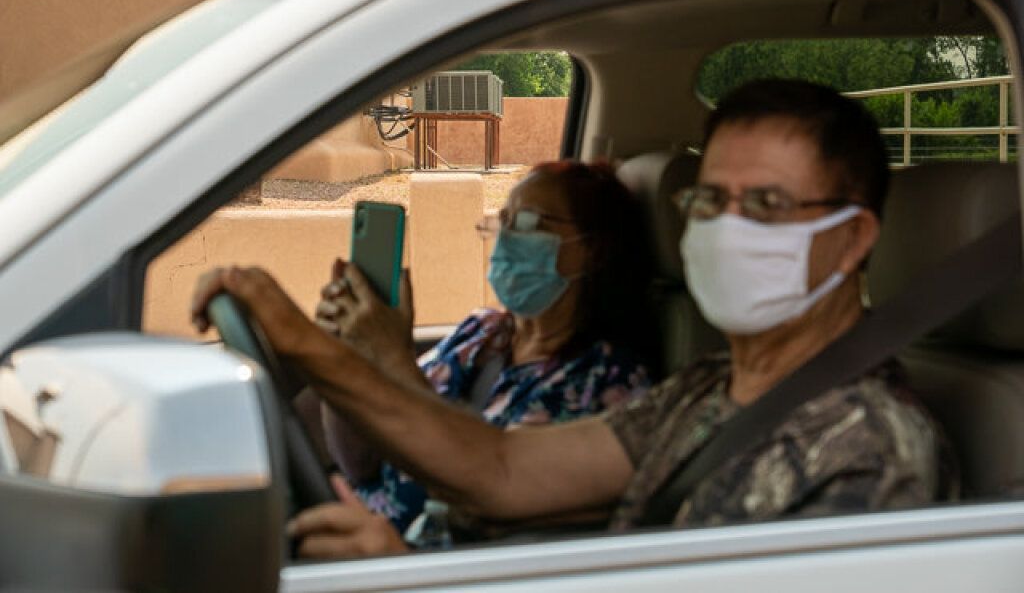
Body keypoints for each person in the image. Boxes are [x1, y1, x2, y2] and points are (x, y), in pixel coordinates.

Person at [192, 79, 955, 559]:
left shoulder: (873, 450)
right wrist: (305, 345)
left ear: (853, 238)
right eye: (710, 201)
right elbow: (502, 468)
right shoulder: (705, 391)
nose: (727, 228)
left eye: (764, 204)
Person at [312, 161, 654, 534]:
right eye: (503, 220)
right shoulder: (481, 332)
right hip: (359, 529)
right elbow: (363, 463)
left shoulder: (609, 384)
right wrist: (345, 356)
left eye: (526, 224)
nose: (506, 236)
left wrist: (394, 358)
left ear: (593, 249)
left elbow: (483, 489)